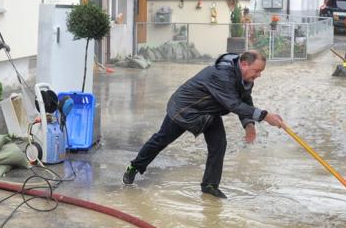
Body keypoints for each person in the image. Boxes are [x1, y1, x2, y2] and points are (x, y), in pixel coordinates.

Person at [122, 50, 285, 198]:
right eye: (257, 71)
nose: (258, 75)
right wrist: (265, 116)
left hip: (209, 112)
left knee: (219, 144)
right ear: (244, 64)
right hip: (185, 109)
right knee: (161, 140)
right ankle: (134, 167)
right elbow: (233, 104)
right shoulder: (223, 74)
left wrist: (249, 124)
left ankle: (209, 186)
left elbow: (244, 100)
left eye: (260, 72)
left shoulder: (244, 78)